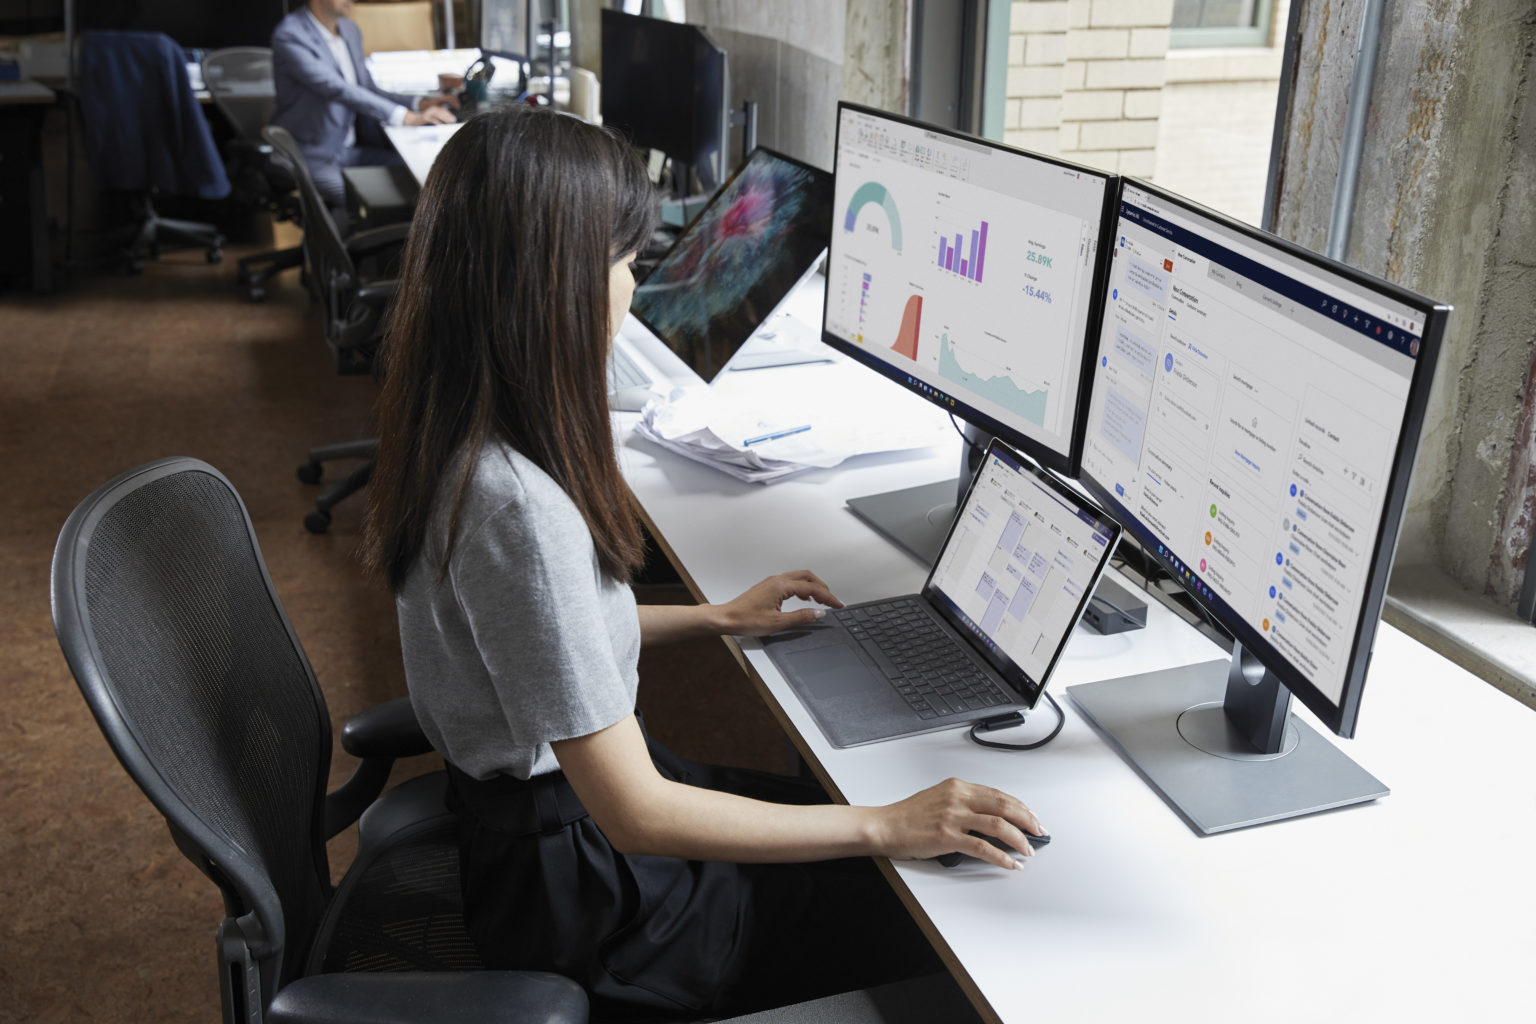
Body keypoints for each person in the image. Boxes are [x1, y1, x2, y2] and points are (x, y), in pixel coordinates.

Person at [362, 107, 1047, 1020]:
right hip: (592, 896)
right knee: (926, 901)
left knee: (858, 827)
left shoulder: (457, 426)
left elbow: (536, 640)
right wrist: (884, 826)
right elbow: (638, 814)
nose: (633, 284)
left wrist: (714, 617)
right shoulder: (518, 509)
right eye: (623, 261)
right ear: (551, 284)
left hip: (559, 829)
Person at [271, 0, 458, 217]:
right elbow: (336, 88)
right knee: (363, 201)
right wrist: (406, 117)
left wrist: (418, 103)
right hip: (313, 156)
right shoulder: (290, 34)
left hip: (349, 150)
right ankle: (340, 249)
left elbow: (366, 87)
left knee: (421, 178)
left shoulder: (349, 29)